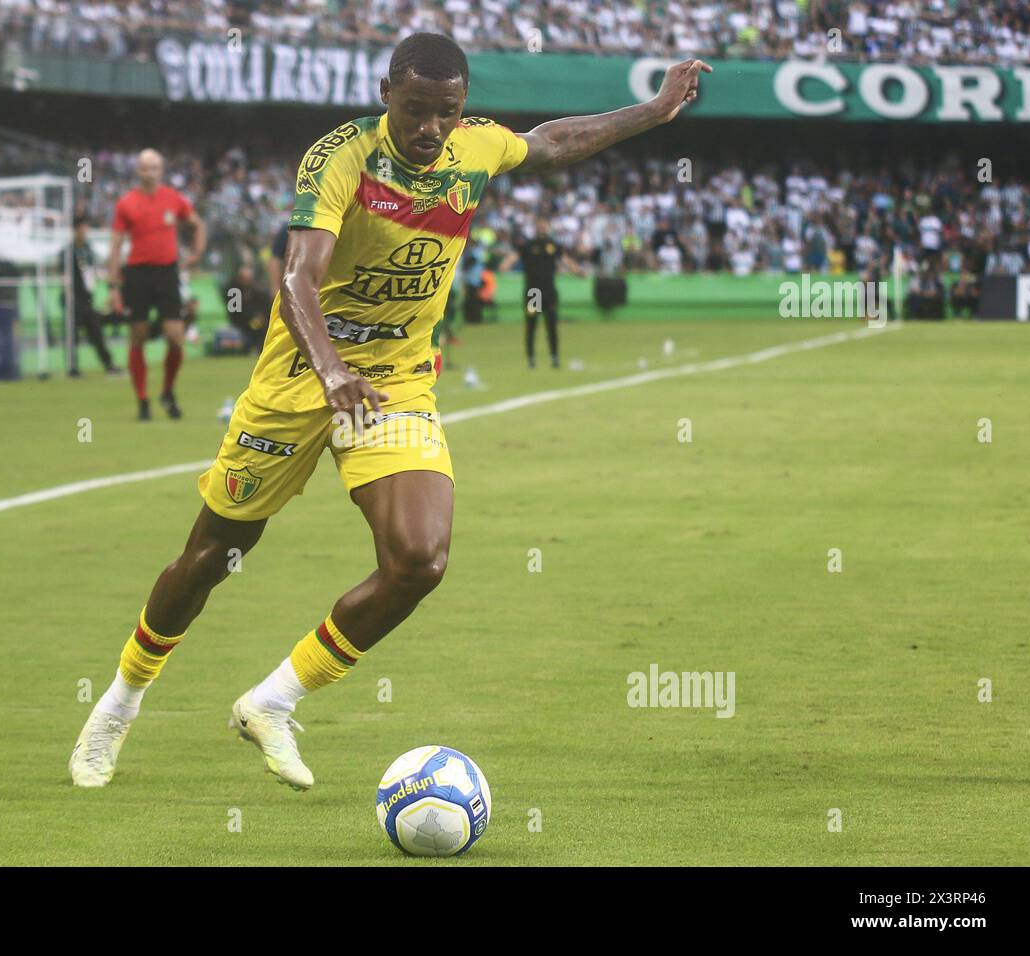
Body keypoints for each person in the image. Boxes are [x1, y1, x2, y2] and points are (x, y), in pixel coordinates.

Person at [70, 33, 710, 790]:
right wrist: (332, 371)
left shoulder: (475, 150)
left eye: (447, 112)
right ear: (385, 96)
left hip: (395, 383)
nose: (431, 127)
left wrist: (655, 110)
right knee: (210, 557)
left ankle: (271, 702)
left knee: (418, 561)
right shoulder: (339, 159)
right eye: (416, 110)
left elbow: (552, 141)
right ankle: (117, 706)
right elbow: (297, 283)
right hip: (299, 380)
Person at [106, 148, 206, 420]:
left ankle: (167, 390)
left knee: (175, 336)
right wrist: (113, 286)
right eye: (144, 167)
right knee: (137, 335)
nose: (149, 172)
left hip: (166, 273)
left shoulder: (173, 199)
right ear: (138, 171)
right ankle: (142, 400)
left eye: (154, 167)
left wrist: (197, 252)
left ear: (160, 171)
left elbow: (196, 224)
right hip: (137, 274)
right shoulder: (126, 203)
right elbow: (115, 246)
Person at [499, 217, 583, 369]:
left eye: (545, 225)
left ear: (548, 227)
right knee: (532, 325)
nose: (542, 228)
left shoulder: (553, 245)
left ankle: (554, 357)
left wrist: (578, 271)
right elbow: (514, 256)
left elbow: (565, 260)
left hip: (549, 291)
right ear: (536, 228)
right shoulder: (529, 245)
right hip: (534, 293)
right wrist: (505, 265)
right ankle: (531, 358)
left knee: (551, 325)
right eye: (540, 226)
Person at [65, 216, 117, 376]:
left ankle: (108, 364)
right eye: (82, 228)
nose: (85, 231)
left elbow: (94, 270)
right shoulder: (69, 252)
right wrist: (69, 297)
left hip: (87, 297)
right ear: (76, 230)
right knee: (72, 333)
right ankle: (73, 368)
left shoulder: (88, 249)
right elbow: (65, 276)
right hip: (74, 298)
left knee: (95, 330)